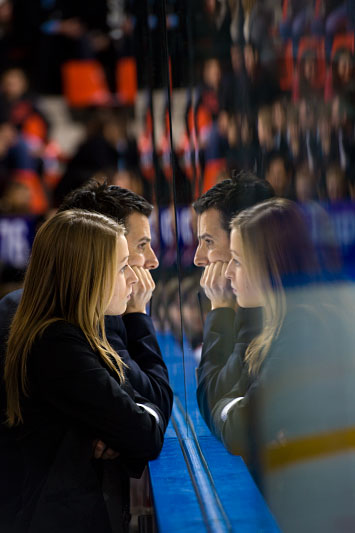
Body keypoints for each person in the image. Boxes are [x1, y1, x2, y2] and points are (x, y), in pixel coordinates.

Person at [0, 180, 173, 532]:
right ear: (90, 273)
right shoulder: (58, 342)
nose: (133, 278)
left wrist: (110, 423)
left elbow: (133, 409)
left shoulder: (63, 330)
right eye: (124, 265)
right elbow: (147, 431)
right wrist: (119, 421)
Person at [200, 198, 355, 532]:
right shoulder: (284, 322)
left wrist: (230, 407)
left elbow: (242, 428)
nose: (227, 272)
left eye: (238, 262)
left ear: (269, 267)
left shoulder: (303, 329)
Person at [193, 170, 274, 421]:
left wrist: (220, 308)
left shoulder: (269, 312)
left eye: (208, 242)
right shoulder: (253, 304)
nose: (198, 258)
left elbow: (214, 398)